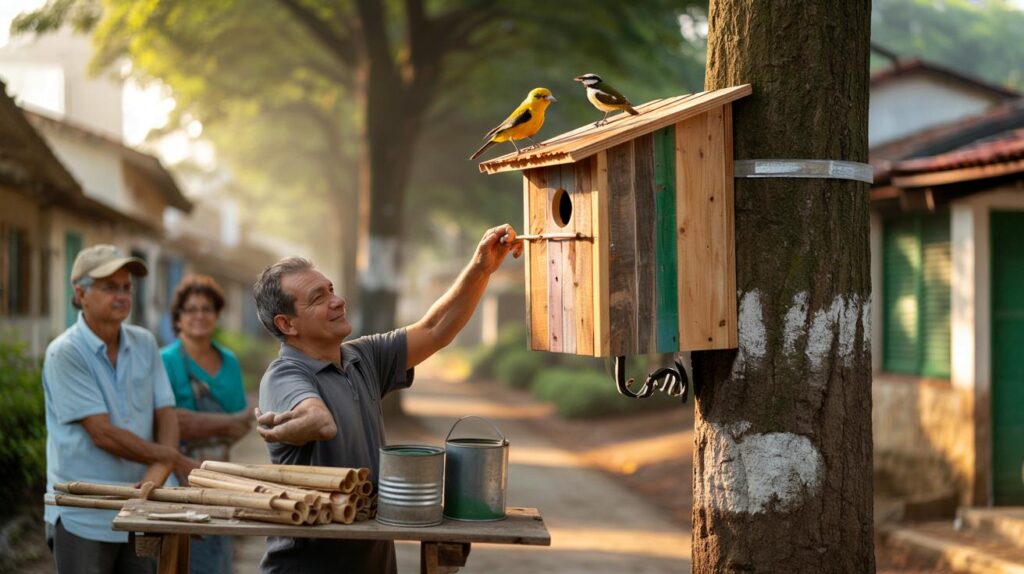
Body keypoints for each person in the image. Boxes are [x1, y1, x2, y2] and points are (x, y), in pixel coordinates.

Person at [253, 224, 522, 574]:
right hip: (308, 566)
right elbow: (318, 419)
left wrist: (481, 267)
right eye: (318, 298)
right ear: (287, 324)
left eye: (331, 289)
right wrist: (290, 429)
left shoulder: (361, 358)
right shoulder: (285, 374)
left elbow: (434, 329)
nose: (337, 300)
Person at [42, 244, 199, 574]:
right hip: (83, 512)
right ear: (80, 293)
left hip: (140, 504)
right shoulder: (65, 352)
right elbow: (102, 434)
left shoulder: (143, 342)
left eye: (127, 287)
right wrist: (170, 459)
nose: (122, 295)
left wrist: (154, 478)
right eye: (109, 287)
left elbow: (166, 412)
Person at [160, 274, 252, 574]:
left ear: (217, 315)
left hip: (222, 477)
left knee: (219, 557)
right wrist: (227, 422)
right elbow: (172, 425)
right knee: (185, 557)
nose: (199, 315)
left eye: (207, 309)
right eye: (191, 309)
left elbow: (244, 425)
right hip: (177, 477)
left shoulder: (230, 361)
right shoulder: (165, 360)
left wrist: (200, 423)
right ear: (178, 317)